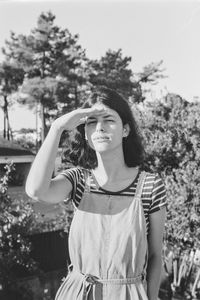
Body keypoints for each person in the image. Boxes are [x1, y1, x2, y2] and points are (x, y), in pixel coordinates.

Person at [26, 87, 167, 300]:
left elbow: (156, 255)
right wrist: (56, 128)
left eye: (109, 120)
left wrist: (153, 296)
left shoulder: (150, 185)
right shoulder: (78, 180)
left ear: (126, 130)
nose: (99, 127)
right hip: (77, 293)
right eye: (92, 122)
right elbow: (36, 190)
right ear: (85, 133)